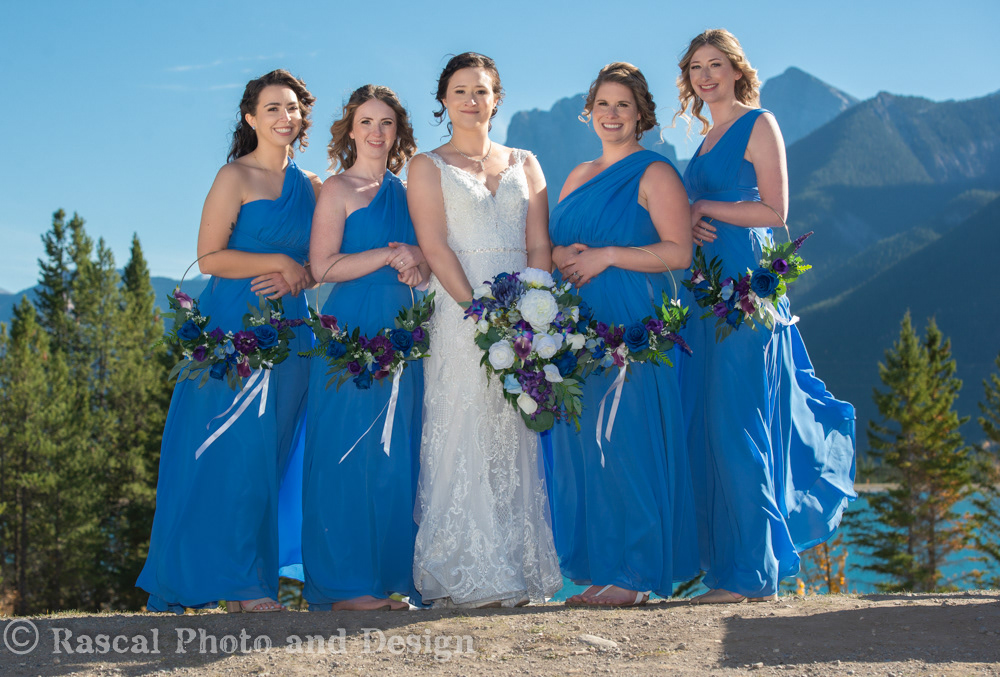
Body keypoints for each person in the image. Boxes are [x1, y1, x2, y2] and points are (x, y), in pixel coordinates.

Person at [674, 29, 857, 603]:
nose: (706, 76)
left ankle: (752, 575)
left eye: (715, 65)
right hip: (702, 297)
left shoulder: (759, 123)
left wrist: (702, 205)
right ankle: (729, 569)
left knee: (738, 427)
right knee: (706, 427)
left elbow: (776, 210)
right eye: (696, 67)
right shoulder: (703, 142)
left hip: (745, 293)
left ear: (735, 70)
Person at [137, 69, 320, 613]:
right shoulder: (233, 177)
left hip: (292, 332)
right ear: (250, 118)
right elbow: (209, 256)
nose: (285, 117)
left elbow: (321, 262)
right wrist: (278, 261)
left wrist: (301, 274)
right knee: (229, 452)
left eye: (292, 108)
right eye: (272, 109)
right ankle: (235, 584)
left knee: (273, 456)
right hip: (233, 329)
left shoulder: (311, 187)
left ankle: (251, 584)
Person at [406, 52, 562, 608]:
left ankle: (516, 568)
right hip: (458, 309)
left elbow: (539, 242)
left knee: (512, 428)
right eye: (460, 90)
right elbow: (433, 245)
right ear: (444, 100)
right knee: (460, 424)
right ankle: (461, 571)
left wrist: (535, 304)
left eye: (482, 90)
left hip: (523, 313)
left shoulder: (526, 162)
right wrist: (478, 309)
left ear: (498, 99)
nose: (472, 100)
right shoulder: (426, 166)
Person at [547, 63, 700, 607]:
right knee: (587, 446)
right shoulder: (576, 175)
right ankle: (602, 568)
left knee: (628, 440)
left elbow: (679, 252)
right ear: (591, 112)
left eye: (623, 106)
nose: (612, 115)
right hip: (577, 328)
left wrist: (609, 255)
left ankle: (635, 575)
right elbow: (556, 245)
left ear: (641, 115)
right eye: (603, 105)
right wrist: (563, 255)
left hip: (632, 320)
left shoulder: (654, 172)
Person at [303, 84, 427, 611]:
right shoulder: (337, 189)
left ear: (398, 133)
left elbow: (425, 263)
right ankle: (346, 586)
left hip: (406, 330)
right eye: (367, 122)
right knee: (345, 453)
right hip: (350, 330)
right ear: (350, 130)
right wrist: (384, 253)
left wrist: (415, 260)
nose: (377, 133)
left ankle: (388, 579)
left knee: (399, 458)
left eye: (387, 123)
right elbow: (321, 267)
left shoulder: (413, 190)